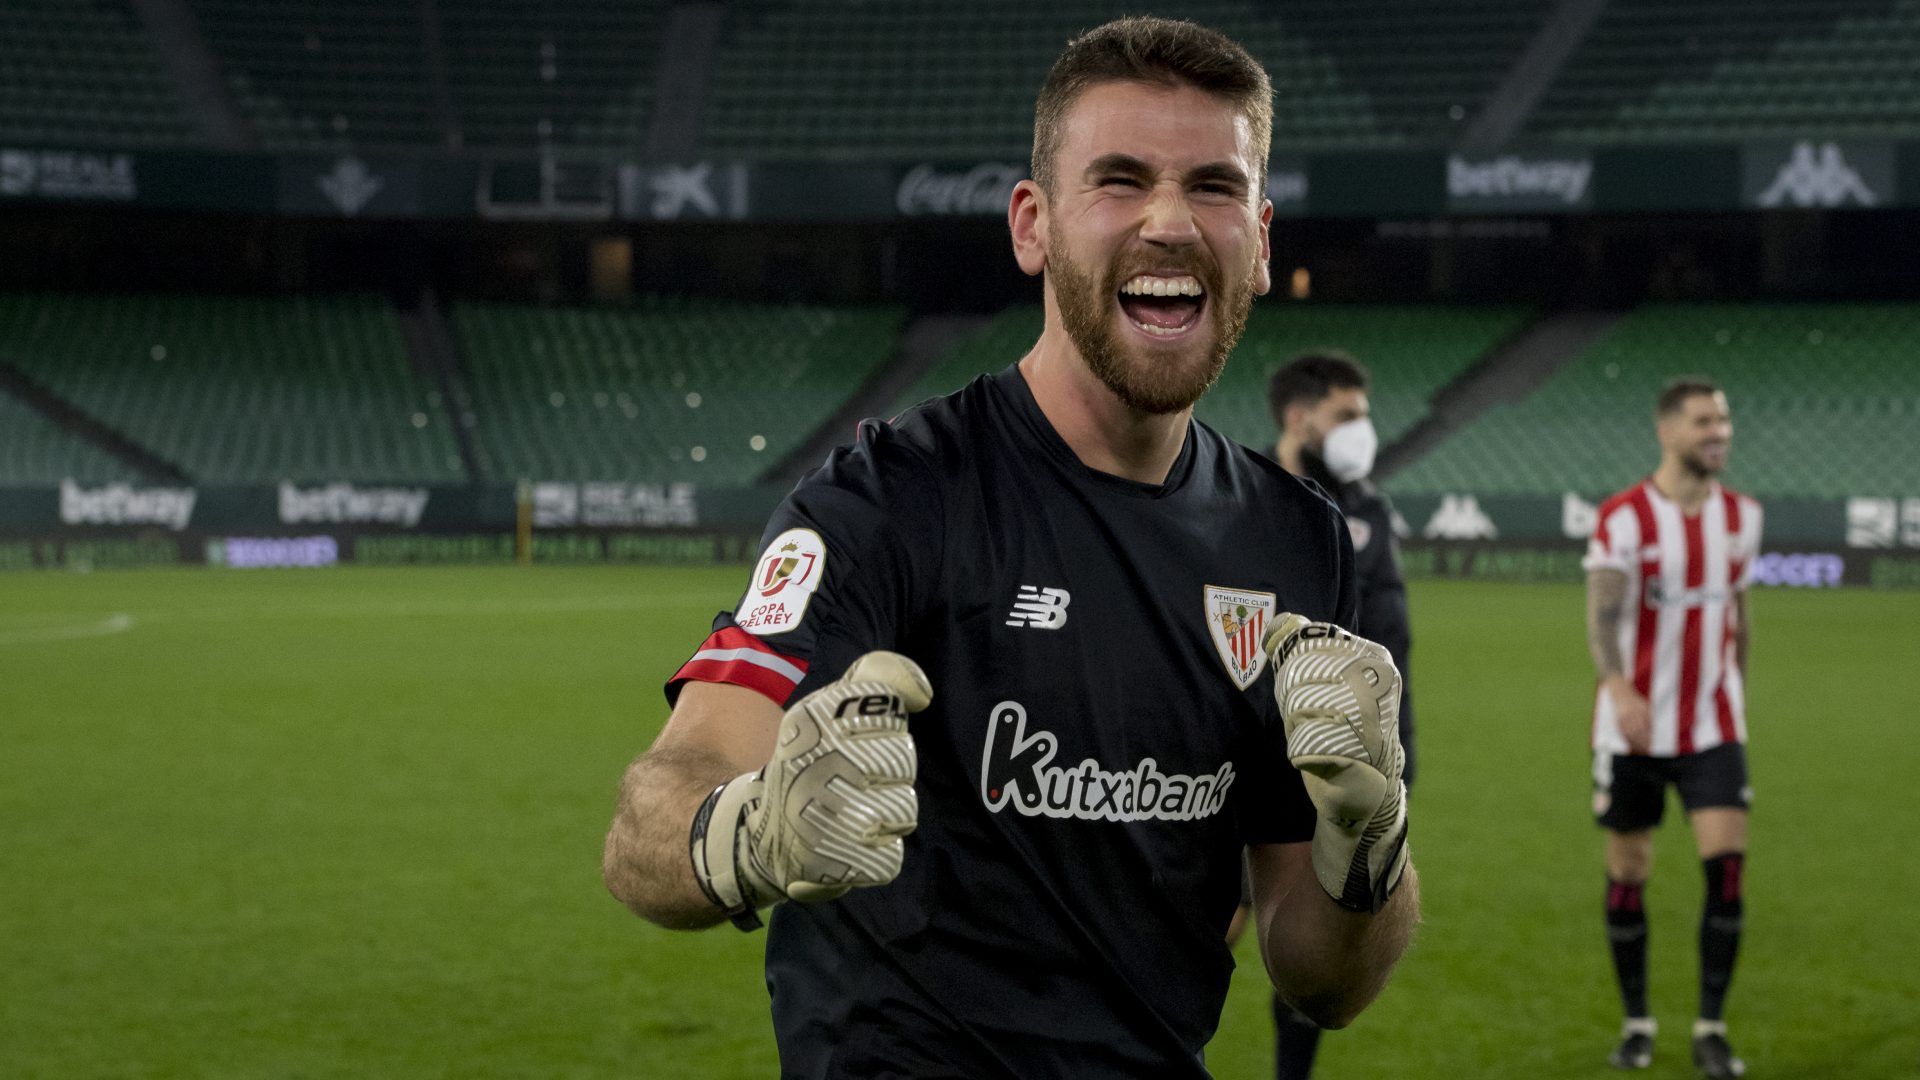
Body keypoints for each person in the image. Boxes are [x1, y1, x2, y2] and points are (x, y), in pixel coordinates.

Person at [601, 17, 1418, 1077]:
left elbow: (1326, 982)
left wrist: (1371, 846)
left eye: (1213, 187)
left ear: (1260, 241)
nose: (1169, 222)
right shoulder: (888, 500)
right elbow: (652, 821)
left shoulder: (1296, 538)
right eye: (1119, 181)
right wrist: (747, 832)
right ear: (1033, 226)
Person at [1230, 351, 1418, 1079]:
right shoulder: (1241, 504)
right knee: (1213, 922)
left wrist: (1394, 754)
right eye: (1348, 416)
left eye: (1364, 416)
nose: (1361, 431)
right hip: (1245, 757)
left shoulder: (1367, 507)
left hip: (1347, 756)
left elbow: (1391, 646)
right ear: (1299, 416)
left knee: (1321, 935)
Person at [1583, 378, 1760, 1079]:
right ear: (1668, 432)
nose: (1720, 431)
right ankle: (1638, 1024)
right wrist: (1619, 686)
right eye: (1704, 421)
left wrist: (1735, 688)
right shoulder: (1624, 518)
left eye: (1724, 418)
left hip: (1713, 725)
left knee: (1728, 871)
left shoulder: (1743, 517)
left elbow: (1740, 614)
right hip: (1630, 730)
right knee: (1630, 870)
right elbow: (1600, 618)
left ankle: (1712, 1027)